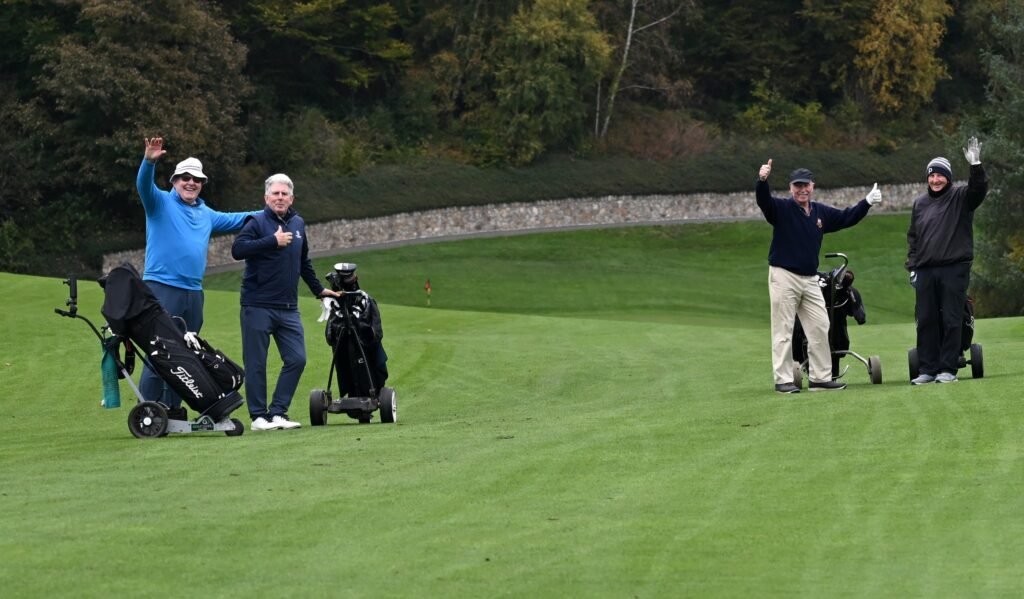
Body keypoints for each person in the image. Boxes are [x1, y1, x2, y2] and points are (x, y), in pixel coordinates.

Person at [135, 137, 257, 419]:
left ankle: (173, 409)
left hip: (193, 293)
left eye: (197, 180)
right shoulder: (160, 203)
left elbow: (239, 219)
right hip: (162, 288)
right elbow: (143, 186)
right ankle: (149, 412)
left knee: (186, 353)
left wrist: (273, 211)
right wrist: (149, 161)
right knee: (159, 350)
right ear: (175, 181)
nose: (191, 183)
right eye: (185, 178)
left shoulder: (206, 213)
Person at [756, 160, 882, 393]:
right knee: (784, 329)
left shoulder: (819, 212)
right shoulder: (781, 209)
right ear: (791, 188)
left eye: (806, 185)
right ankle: (783, 380)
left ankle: (820, 378)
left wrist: (866, 202)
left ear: (812, 186)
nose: (802, 190)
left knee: (821, 325)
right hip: (784, 276)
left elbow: (846, 217)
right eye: (797, 186)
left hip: (810, 278)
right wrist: (762, 181)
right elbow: (764, 201)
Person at [231, 173, 340, 431]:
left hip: (288, 308)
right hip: (257, 305)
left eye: (284, 194)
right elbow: (238, 250)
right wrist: (273, 241)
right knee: (256, 363)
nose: (279, 198)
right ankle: (259, 417)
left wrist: (319, 290)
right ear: (266, 197)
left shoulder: (298, 223)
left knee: (297, 359)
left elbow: (303, 262)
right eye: (275, 193)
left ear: (291, 198)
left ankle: (278, 412)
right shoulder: (256, 222)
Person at [907, 137, 988, 385]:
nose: (935, 180)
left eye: (940, 175)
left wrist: (975, 166)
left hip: (954, 268)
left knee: (952, 318)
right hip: (925, 270)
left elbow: (978, 190)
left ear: (948, 178)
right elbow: (913, 238)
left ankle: (948, 369)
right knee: (926, 320)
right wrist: (912, 267)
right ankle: (927, 369)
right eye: (932, 176)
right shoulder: (920, 204)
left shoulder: (961, 197)